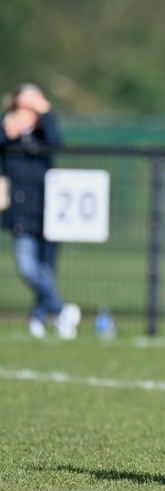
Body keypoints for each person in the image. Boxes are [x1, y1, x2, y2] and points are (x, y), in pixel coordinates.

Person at [0, 83, 80, 339]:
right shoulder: (8, 131)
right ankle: (62, 310)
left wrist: (46, 113)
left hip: (48, 211)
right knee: (28, 268)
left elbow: (56, 143)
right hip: (20, 212)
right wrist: (9, 131)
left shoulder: (44, 132)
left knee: (46, 270)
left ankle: (38, 319)